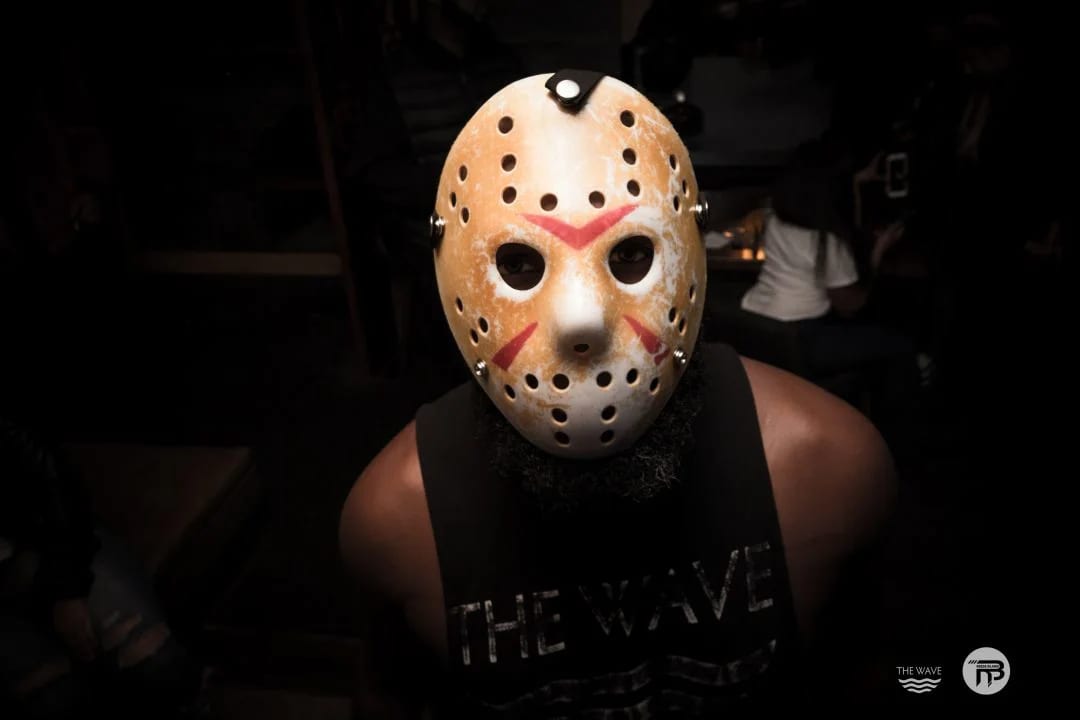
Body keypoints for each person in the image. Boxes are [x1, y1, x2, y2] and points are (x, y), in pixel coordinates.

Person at [339, 71, 897, 716]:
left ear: (687, 250)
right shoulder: (395, 522)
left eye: (630, 254)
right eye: (519, 264)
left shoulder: (829, 469)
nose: (582, 321)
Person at [0, 416, 205, 719]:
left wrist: (68, 589)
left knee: (159, 664)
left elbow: (54, 488)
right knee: (54, 699)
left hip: (40, 545)